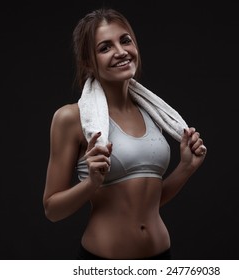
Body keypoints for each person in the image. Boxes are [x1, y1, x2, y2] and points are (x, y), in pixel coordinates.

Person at [42, 7, 207, 260]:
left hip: (160, 257)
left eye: (125, 40)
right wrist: (91, 183)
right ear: (88, 62)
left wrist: (186, 167)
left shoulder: (153, 113)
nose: (120, 52)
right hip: (104, 261)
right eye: (105, 47)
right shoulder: (71, 118)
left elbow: (148, 204)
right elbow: (52, 210)